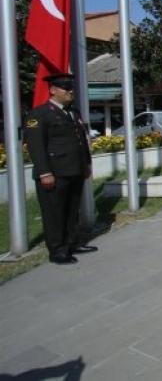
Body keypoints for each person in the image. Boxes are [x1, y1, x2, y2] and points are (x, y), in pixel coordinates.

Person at [24, 73, 96, 265]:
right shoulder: (39, 114)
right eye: (66, 89)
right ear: (53, 90)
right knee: (55, 213)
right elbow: (36, 146)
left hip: (75, 170)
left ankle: (72, 243)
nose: (71, 92)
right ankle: (57, 250)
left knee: (72, 210)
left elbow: (82, 140)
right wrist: (44, 172)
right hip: (54, 173)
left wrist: (86, 164)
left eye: (71, 88)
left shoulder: (73, 112)